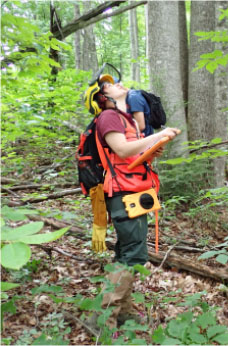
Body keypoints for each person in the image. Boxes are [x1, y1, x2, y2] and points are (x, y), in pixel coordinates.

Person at [84, 75, 180, 329]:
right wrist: (158, 135)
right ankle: (102, 319)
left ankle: (123, 312)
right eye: (109, 84)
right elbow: (123, 150)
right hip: (123, 193)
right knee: (133, 254)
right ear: (102, 97)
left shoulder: (125, 120)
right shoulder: (108, 117)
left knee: (127, 251)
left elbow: (130, 157)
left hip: (134, 190)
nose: (118, 83)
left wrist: (152, 148)